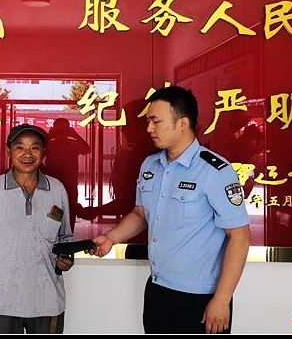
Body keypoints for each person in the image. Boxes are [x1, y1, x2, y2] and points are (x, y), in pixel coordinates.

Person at [90, 86, 250, 334]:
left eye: (156, 121)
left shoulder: (215, 171)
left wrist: (221, 299)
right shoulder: (150, 165)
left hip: (201, 298)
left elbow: (239, 237)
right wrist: (111, 238)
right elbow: (140, 214)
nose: (149, 128)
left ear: (182, 123)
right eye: (148, 121)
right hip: (158, 290)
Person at [0, 123, 74, 334]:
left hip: (47, 301)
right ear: (9, 152)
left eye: (35, 147)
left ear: (43, 152)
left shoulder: (57, 190)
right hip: (2, 303)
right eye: (20, 147)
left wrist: (66, 258)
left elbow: (65, 237)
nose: (28, 154)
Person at [44, 118, 91, 230]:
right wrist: (49, 136)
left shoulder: (70, 144)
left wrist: (50, 136)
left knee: (69, 209)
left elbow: (87, 149)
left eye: (63, 129)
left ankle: (66, 233)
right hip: (57, 184)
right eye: (59, 129)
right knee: (57, 209)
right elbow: (37, 151)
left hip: (68, 183)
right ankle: (58, 234)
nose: (61, 132)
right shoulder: (50, 144)